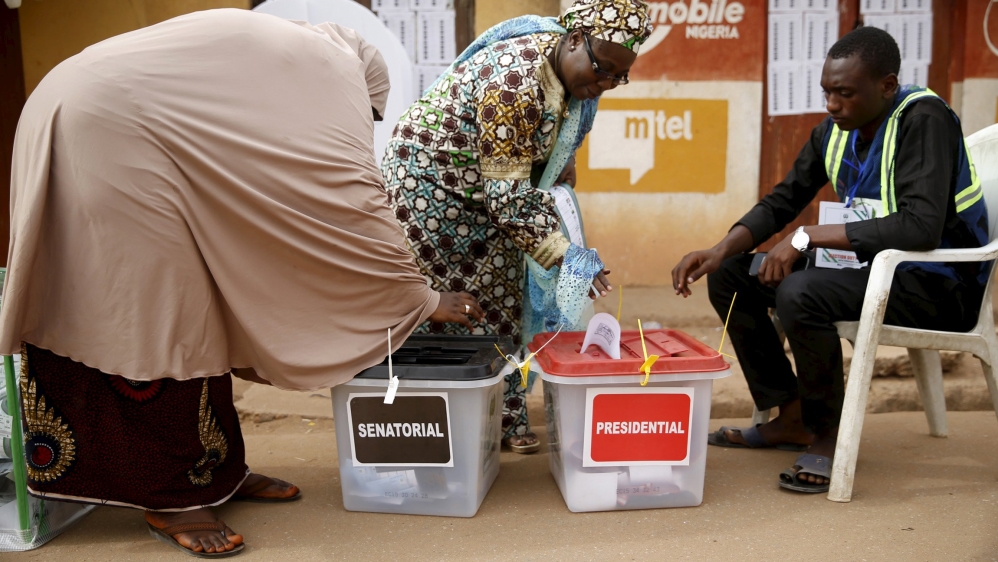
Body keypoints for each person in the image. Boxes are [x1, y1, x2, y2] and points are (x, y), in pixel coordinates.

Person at [0, 9, 483, 557]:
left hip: (120, 121)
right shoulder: (332, 74)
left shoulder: (298, 62)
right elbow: (352, 198)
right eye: (371, 115)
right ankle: (169, 496)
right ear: (366, 88)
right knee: (158, 310)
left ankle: (216, 471)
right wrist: (420, 300)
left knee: (208, 305)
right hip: (99, 126)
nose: (366, 124)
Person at [671, 27, 987, 493]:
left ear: (887, 85)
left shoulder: (924, 120)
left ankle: (828, 434)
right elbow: (783, 199)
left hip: (937, 283)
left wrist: (808, 237)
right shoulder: (834, 132)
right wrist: (721, 249)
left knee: (801, 292)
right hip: (870, 270)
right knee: (734, 278)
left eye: (844, 93)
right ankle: (791, 413)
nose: (832, 104)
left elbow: (921, 226)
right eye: (827, 92)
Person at [381, 0, 652, 453]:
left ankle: (502, 419)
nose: (605, 84)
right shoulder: (515, 78)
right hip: (429, 185)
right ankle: (430, 423)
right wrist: (570, 257)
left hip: (493, 188)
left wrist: (559, 163)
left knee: (505, 294)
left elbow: (540, 151)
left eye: (617, 78)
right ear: (574, 39)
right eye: (602, 69)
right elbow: (507, 201)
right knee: (441, 302)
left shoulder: (570, 77)